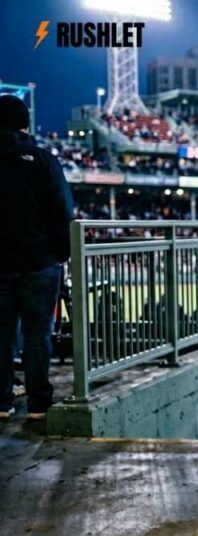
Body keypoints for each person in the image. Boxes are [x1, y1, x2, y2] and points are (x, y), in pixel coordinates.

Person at [0, 95, 73, 421]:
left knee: (0, 336)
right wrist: (61, 253)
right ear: (25, 124)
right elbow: (62, 210)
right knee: (37, 335)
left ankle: (1, 402)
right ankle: (38, 405)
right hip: (39, 264)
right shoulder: (42, 159)